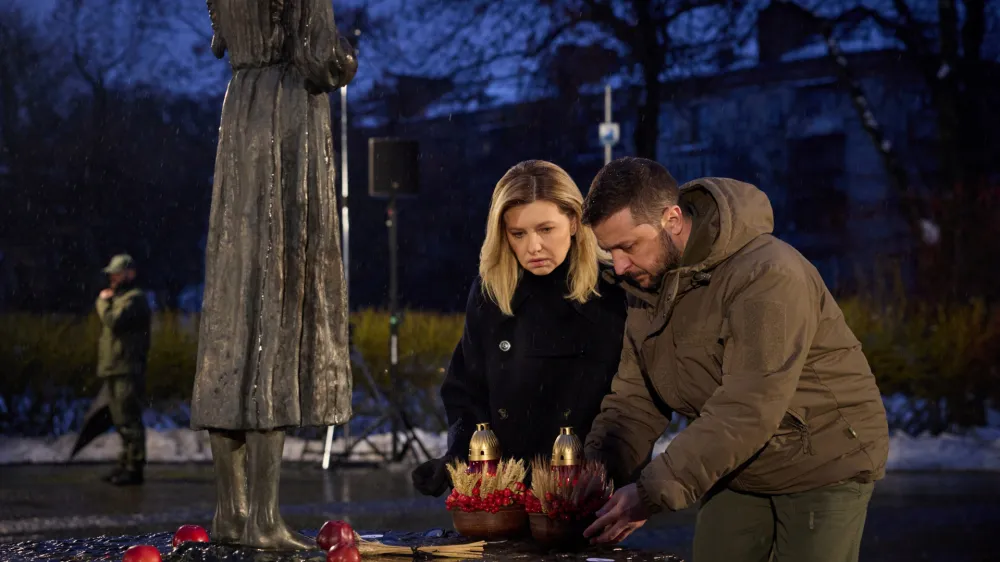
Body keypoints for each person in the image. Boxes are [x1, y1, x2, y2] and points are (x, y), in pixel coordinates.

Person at [579, 157, 890, 562]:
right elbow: (635, 401)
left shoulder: (766, 274)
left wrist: (650, 492)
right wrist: (597, 475)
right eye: (610, 251)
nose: (619, 266)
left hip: (824, 459)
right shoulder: (646, 286)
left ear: (672, 220)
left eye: (628, 246)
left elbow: (748, 406)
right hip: (738, 463)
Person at [189, 0, 357, 550]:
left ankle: (230, 512)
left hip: (240, 112)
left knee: (235, 304)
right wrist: (347, 58)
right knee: (276, 300)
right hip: (287, 121)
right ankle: (263, 518)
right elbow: (318, 58)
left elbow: (222, 42)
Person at [411, 160, 627, 496]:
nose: (533, 247)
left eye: (546, 229)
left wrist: (612, 476)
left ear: (574, 221)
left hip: (586, 488)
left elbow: (629, 401)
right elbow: (466, 391)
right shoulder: (491, 293)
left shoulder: (611, 292)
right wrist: (458, 458)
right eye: (518, 234)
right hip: (503, 490)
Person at [95, 253, 151, 486]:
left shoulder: (134, 299)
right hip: (114, 367)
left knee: (129, 417)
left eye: (117, 274)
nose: (113, 278)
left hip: (127, 367)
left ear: (130, 274)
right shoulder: (120, 298)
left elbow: (114, 321)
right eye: (112, 274)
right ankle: (125, 462)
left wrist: (102, 302)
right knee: (119, 418)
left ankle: (134, 466)